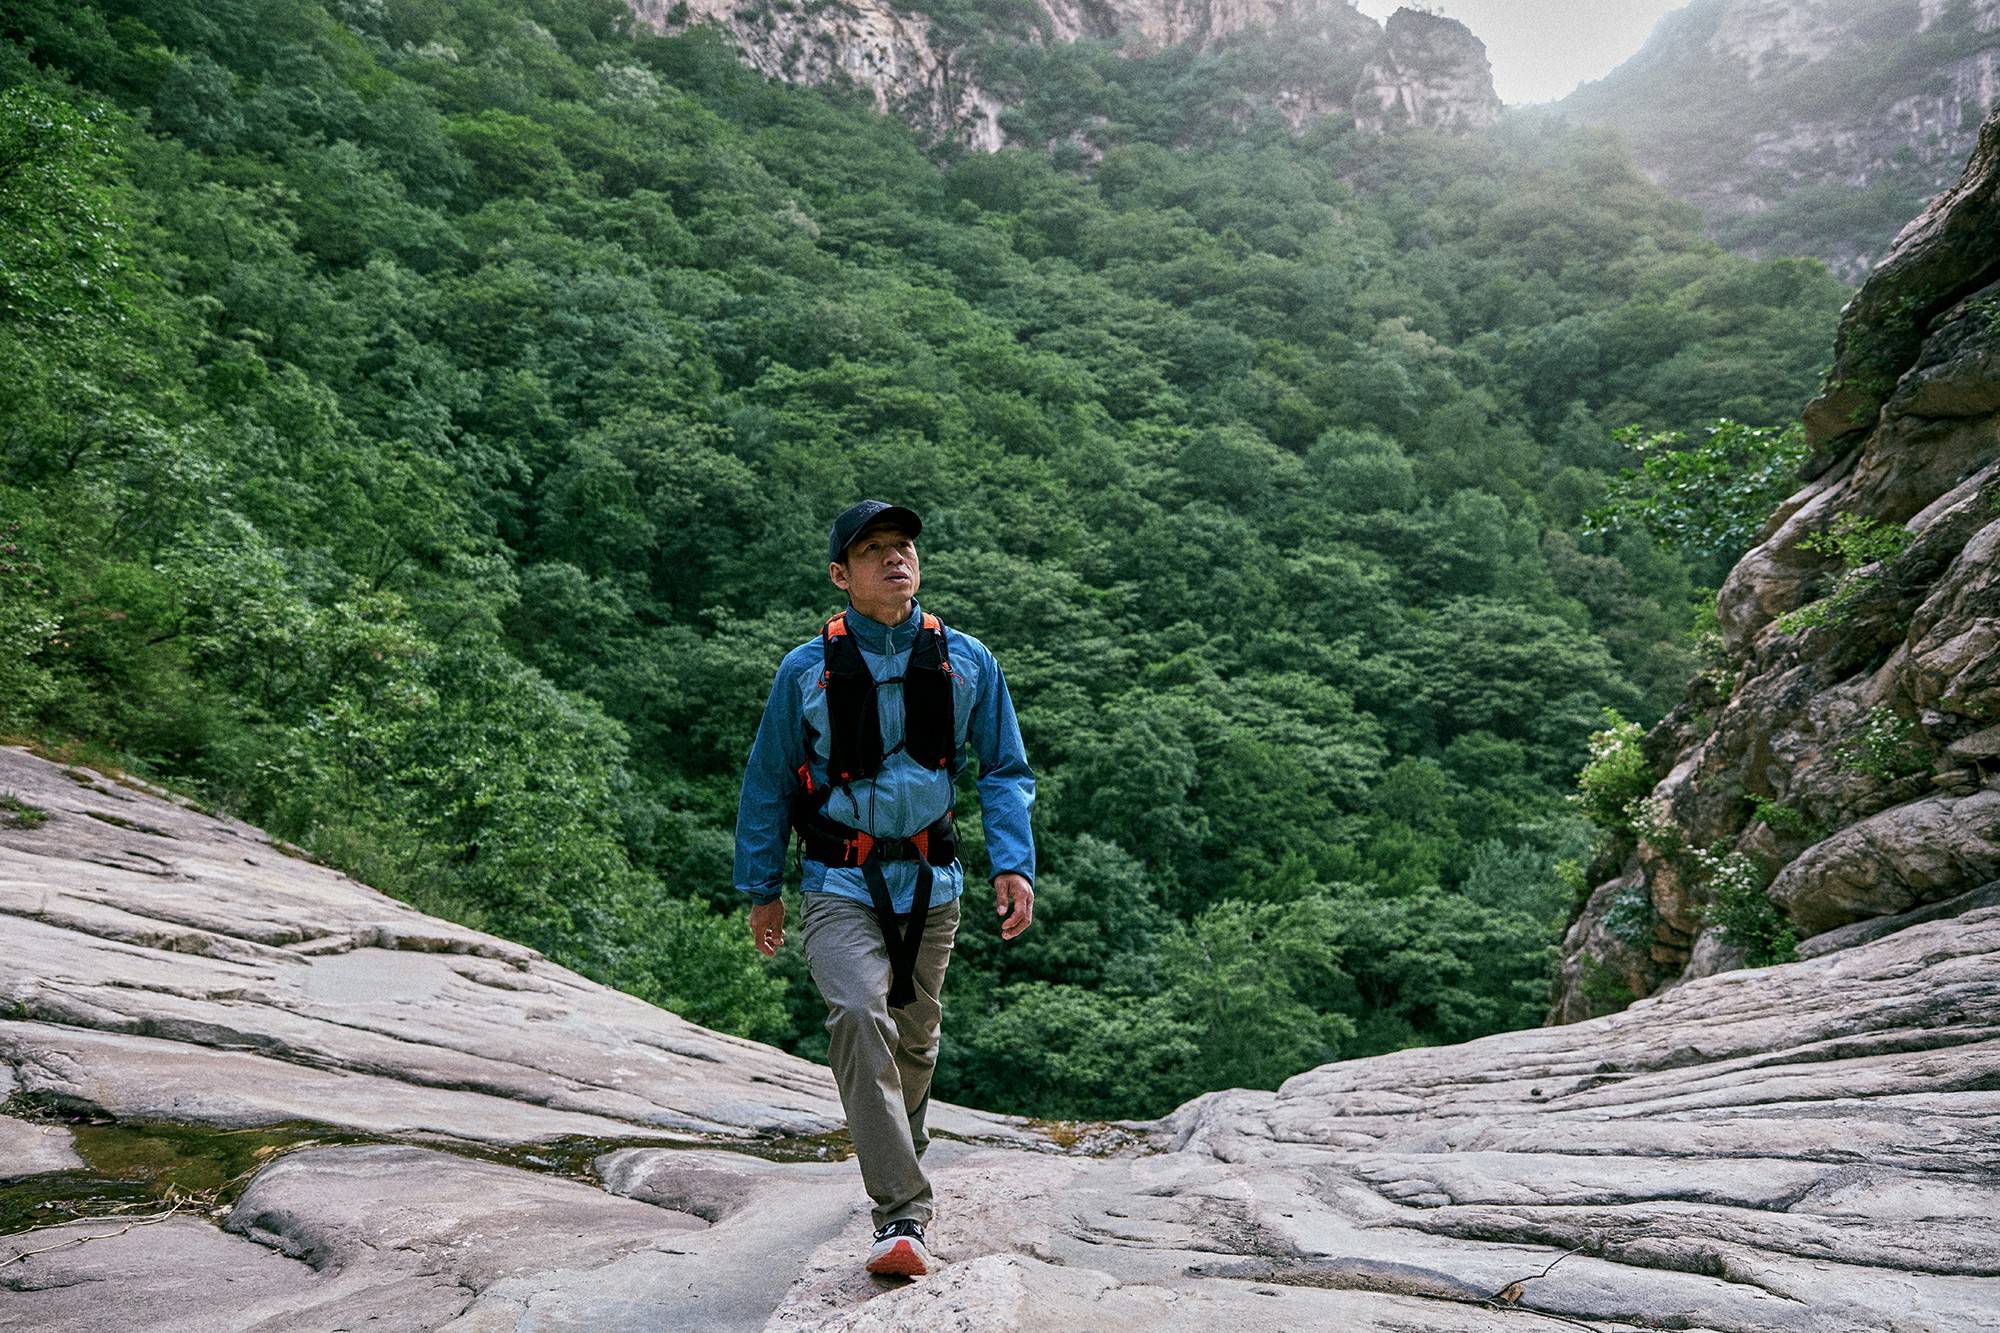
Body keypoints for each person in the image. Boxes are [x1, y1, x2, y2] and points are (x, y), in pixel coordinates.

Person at [734, 499, 1036, 1278]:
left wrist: (1014, 862)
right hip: (838, 879)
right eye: (874, 550)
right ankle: (902, 1211)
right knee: (859, 1014)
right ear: (842, 575)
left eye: (903, 546)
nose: (895, 558)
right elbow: (767, 781)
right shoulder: (807, 669)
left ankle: (899, 1149)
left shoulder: (966, 659)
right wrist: (761, 886)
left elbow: (1004, 769)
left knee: (915, 1039)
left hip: (932, 880)